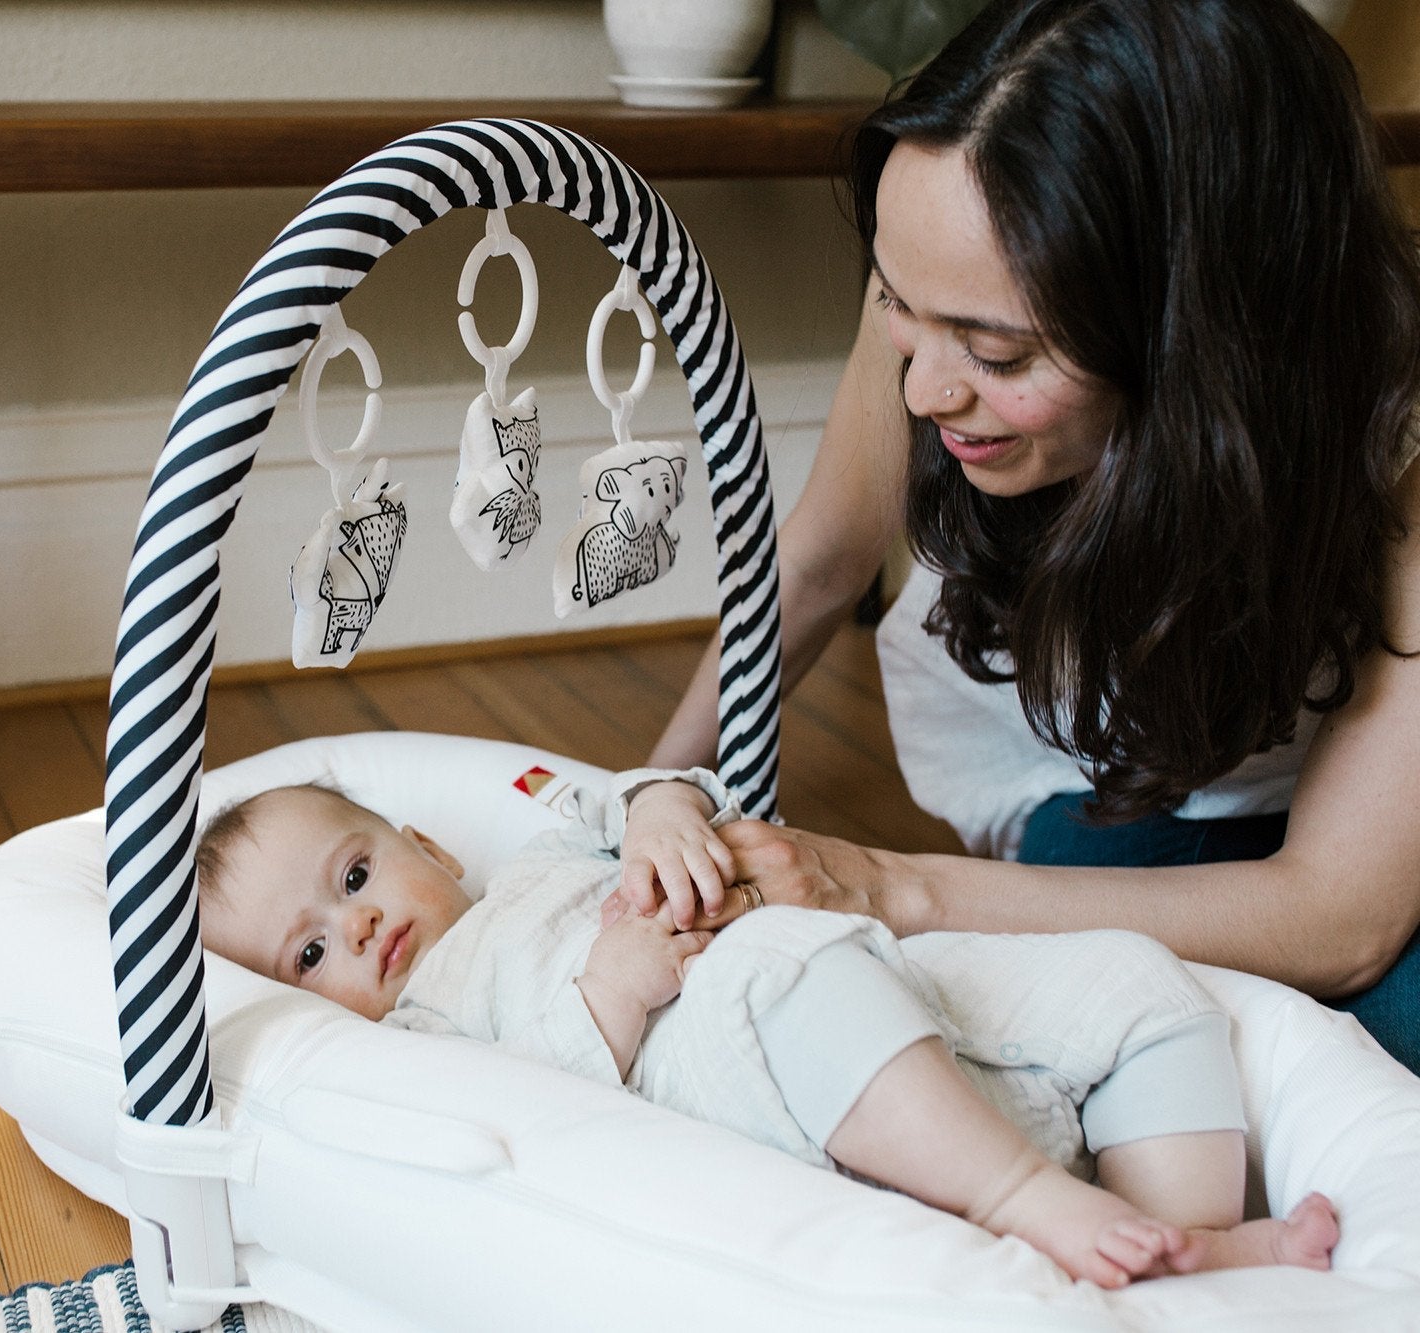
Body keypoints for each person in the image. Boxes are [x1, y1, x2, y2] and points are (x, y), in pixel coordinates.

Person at [648, 0, 1420, 1072]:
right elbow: (820, 562)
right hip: (1098, 783)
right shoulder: (949, 285)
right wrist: (644, 792)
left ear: (1199, 333)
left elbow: (1340, 918)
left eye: (999, 359)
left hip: (1336, 810)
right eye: (894, 306)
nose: (920, 390)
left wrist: (887, 883)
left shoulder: (1389, 428)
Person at [195, 769, 1341, 1288]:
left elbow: (647, 787)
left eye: (354, 874)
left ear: (426, 846)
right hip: (775, 1058)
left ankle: (1180, 1249)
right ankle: (1021, 1204)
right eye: (310, 955)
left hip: (914, 1003)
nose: (359, 930)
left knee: (1132, 978)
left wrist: (657, 820)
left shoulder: (542, 854)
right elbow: (525, 1115)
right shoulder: (425, 1028)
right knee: (779, 964)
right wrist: (616, 991)